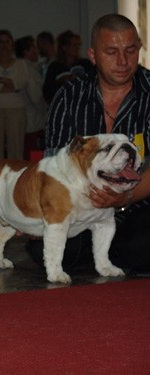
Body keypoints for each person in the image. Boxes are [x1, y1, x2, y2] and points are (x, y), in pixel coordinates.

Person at [26, 14, 150, 272]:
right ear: (93, 56)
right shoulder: (69, 96)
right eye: (111, 52)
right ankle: (105, 255)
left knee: (141, 243)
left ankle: (106, 254)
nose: (123, 61)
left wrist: (124, 197)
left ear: (139, 49)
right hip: (79, 208)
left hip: (140, 204)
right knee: (42, 247)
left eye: (130, 50)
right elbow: (52, 166)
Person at [0, 29, 30, 159]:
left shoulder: (21, 64)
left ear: (12, 44)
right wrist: (10, 83)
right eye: (1, 42)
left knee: (16, 148)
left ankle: (15, 178)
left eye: (7, 41)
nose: (4, 45)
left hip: (16, 109)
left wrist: (0, 79)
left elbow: (20, 84)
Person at [15, 35, 47, 159]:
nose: (37, 51)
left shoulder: (19, 67)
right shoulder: (28, 69)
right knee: (31, 156)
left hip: (27, 119)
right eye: (33, 48)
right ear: (26, 51)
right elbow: (36, 96)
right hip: (32, 120)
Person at [42, 30, 93, 104]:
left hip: (82, 104)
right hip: (62, 105)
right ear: (64, 47)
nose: (77, 48)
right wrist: (61, 81)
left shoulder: (86, 64)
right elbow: (47, 92)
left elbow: (94, 83)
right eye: (74, 45)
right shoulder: (54, 66)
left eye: (78, 45)